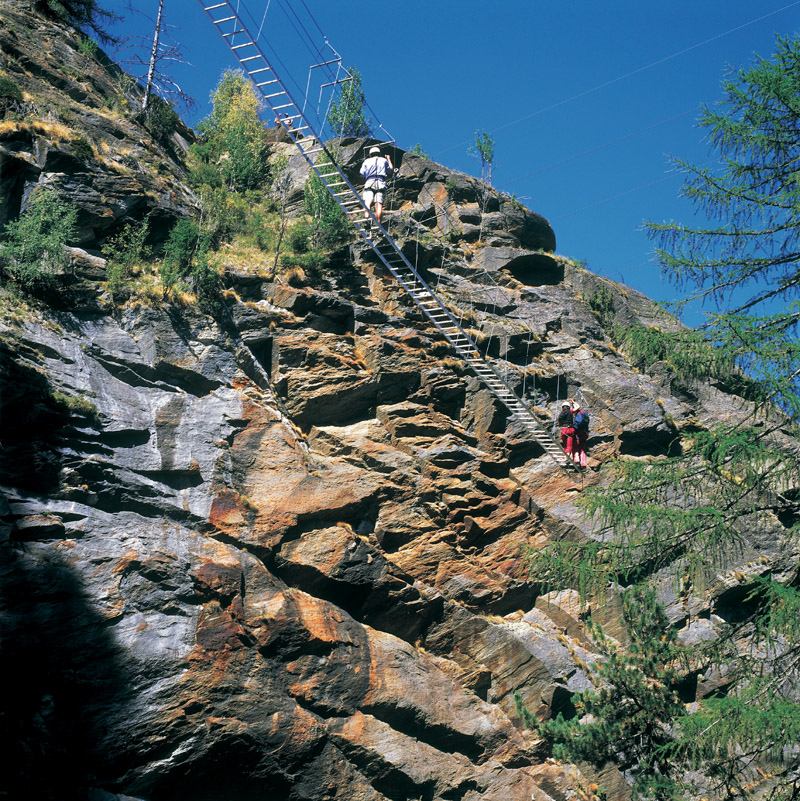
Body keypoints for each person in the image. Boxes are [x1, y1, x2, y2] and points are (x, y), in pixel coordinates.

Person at [360, 145, 394, 223]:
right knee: (378, 204)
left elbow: (361, 173)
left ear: (370, 154)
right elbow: (391, 170)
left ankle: (366, 219)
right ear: (379, 153)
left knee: (368, 202)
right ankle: (378, 224)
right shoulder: (383, 160)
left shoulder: (366, 161)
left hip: (369, 182)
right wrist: (388, 159)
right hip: (380, 182)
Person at [571, 400, 589, 468]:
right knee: (582, 449)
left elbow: (578, 423)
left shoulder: (578, 414)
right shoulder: (585, 413)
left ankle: (577, 462)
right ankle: (583, 465)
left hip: (578, 433)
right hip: (585, 433)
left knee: (575, 447)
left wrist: (573, 428)